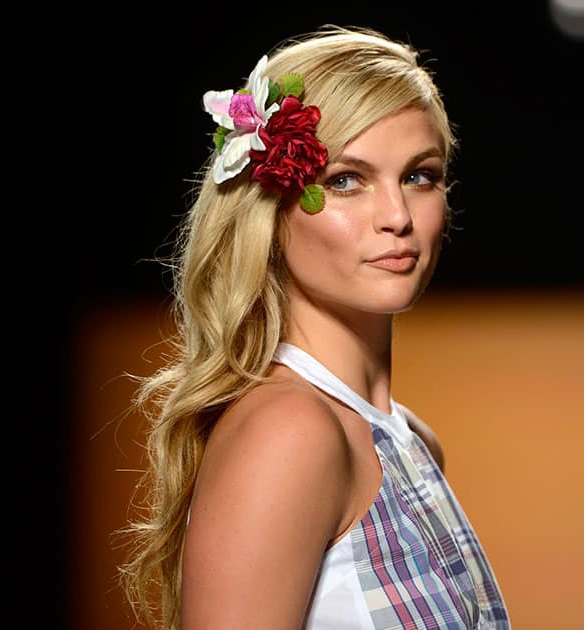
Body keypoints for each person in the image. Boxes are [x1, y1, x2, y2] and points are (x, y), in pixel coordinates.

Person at [117, 24, 510, 630]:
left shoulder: (410, 440)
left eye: (419, 175)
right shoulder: (290, 431)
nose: (397, 217)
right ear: (268, 208)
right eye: (345, 181)